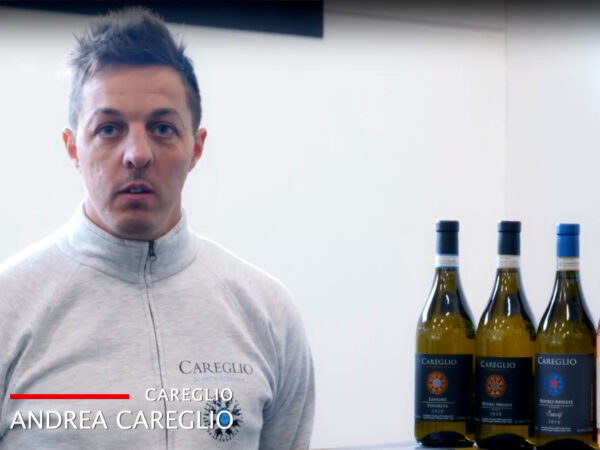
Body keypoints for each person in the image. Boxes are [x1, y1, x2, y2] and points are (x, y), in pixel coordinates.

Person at [0, 7, 314, 449]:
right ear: (73, 148)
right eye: (109, 129)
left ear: (196, 148)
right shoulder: (8, 310)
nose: (137, 154)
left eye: (162, 128)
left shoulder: (268, 314)